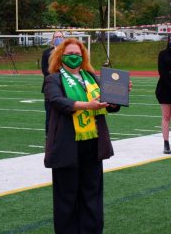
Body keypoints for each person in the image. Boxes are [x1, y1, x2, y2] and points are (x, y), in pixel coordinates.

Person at [44, 37, 125, 233]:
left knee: (92, 193)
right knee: (67, 195)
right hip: (67, 144)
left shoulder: (92, 77)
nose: (74, 57)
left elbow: (109, 106)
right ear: (60, 56)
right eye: (70, 54)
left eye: (78, 55)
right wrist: (88, 105)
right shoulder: (53, 79)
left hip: (93, 143)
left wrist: (117, 96)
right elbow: (58, 102)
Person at [41, 31, 64, 136]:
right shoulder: (46, 53)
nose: (58, 38)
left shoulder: (68, 52)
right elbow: (45, 70)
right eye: (56, 37)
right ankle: (49, 136)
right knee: (50, 113)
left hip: (66, 86)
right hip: (50, 86)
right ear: (53, 39)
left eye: (60, 37)